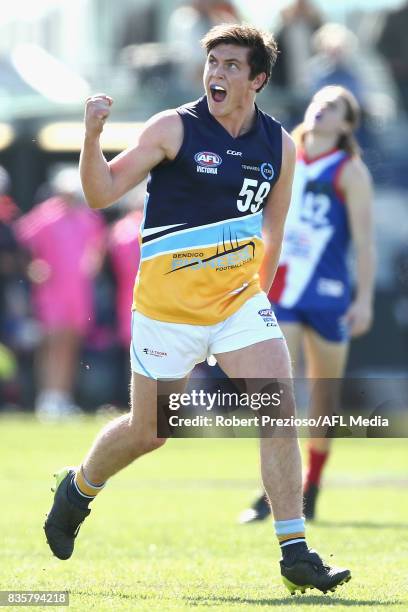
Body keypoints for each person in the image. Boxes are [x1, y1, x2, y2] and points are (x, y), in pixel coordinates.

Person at [44, 24, 351, 595]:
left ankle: (295, 550)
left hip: (237, 305)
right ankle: (79, 487)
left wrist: (259, 294)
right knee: (149, 431)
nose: (217, 73)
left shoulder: (280, 144)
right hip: (166, 312)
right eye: (213, 62)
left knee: (277, 407)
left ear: (258, 80)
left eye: (233, 65)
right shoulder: (173, 128)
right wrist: (93, 135)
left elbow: (274, 225)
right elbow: (101, 192)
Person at [239, 85, 375, 524]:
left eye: (333, 106)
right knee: (279, 390)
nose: (320, 109)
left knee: (324, 395)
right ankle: (273, 491)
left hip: (328, 294)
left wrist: (364, 299)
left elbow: (365, 243)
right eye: (318, 102)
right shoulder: (284, 151)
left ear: (347, 124)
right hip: (282, 289)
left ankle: (311, 484)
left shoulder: (350, 170)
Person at [15, 167, 106, 420]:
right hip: (52, 289)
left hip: (78, 290)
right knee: (52, 343)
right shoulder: (46, 215)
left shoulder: (88, 218)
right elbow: (22, 243)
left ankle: (62, 397)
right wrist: (32, 266)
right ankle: (48, 397)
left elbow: (97, 246)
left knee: (71, 344)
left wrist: (94, 260)